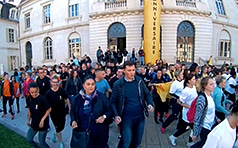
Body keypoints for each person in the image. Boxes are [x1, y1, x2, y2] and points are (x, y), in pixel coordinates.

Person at [110, 61, 154, 147]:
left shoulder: (139, 81)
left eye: (133, 70)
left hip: (140, 117)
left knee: (137, 141)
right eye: (129, 70)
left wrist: (150, 104)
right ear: (124, 71)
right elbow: (112, 102)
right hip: (126, 118)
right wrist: (116, 115)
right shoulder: (118, 85)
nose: (131, 73)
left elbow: (147, 94)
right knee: (126, 142)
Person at [70, 76, 112, 148]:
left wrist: (104, 117)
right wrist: (73, 121)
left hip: (98, 131)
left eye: (93, 84)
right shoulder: (77, 99)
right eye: (88, 84)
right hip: (83, 131)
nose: (90, 86)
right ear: (83, 85)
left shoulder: (101, 97)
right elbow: (72, 112)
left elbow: (109, 110)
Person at [169, 73, 198, 147]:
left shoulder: (194, 87)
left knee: (192, 128)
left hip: (193, 112)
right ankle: (174, 137)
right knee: (186, 128)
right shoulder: (185, 91)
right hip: (187, 113)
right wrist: (190, 107)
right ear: (189, 81)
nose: (195, 80)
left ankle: (189, 142)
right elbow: (181, 103)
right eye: (193, 79)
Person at [45, 76, 70, 148]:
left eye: (56, 82)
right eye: (53, 82)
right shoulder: (48, 93)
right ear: (51, 83)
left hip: (62, 112)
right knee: (58, 128)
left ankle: (55, 133)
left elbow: (66, 99)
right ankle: (61, 142)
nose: (55, 84)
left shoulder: (62, 91)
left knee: (62, 126)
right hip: (53, 113)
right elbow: (46, 104)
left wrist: (69, 107)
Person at [191, 77, 215, 148]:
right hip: (204, 127)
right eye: (211, 84)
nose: (213, 86)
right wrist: (195, 133)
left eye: (213, 84)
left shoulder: (211, 95)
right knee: (204, 143)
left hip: (211, 125)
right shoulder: (202, 99)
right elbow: (198, 116)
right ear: (205, 86)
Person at [26, 82, 51, 148]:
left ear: (38, 89)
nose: (34, 94)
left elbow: (49, 109)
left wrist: (42, 120)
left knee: (42, 142)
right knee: (29, 139)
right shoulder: (28, 99)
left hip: (43, 124)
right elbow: (29, 109)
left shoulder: (42, 99)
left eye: (35, 92)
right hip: (34, 122)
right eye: (32, 92)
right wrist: (28, 120)